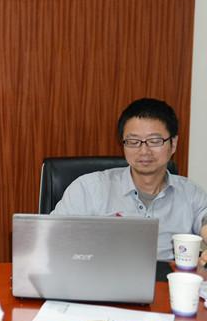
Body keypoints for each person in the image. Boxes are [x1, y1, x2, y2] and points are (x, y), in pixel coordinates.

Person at [52, 98, 207, 262]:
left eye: (154, 141)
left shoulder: (190, 194)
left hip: (167, 277)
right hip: (102, 274)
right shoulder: (88, 189)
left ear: (173, 144)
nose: (144, 151)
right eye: (133, 142)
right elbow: (52, 239)